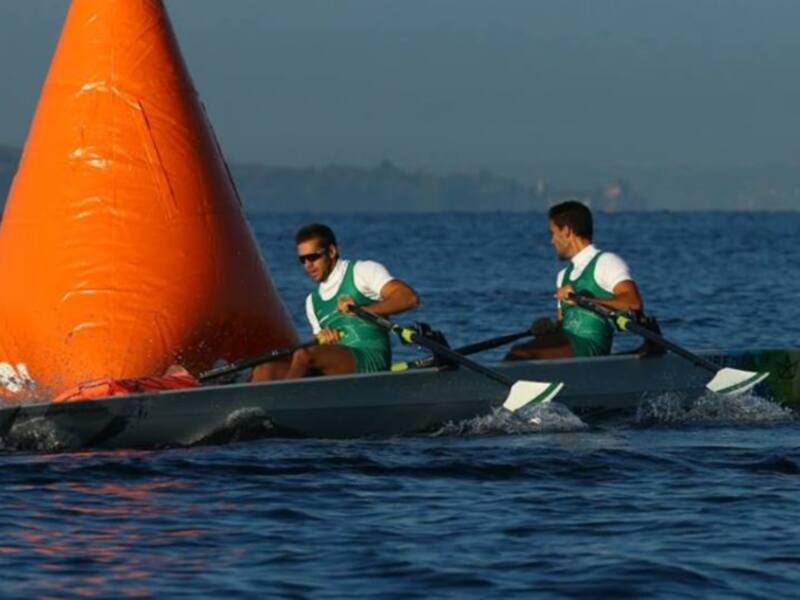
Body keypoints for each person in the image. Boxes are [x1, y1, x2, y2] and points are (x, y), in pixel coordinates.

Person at [252, 223, 420, 380]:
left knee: (304, 354)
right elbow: (320, 348)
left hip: (370, 360)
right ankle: (256, 402)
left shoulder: (362, 271)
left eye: (313, 257)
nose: (308, 265)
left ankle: (285, 399)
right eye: (302, 260)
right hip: (339, 365)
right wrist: (325, 338)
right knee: (265, 370)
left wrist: (364, 310)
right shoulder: (311, 302)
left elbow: (408, 298)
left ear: (331, 251)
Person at [505, 200, 643, 360]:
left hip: (590, 347)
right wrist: (549, 328)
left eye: (553, 233)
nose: (552, 241)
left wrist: (582, 300)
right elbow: (563, 326)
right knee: (517, 352)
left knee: (520, 353)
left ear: (566, 231)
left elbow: (634, 303)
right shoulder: (562, 276)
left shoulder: (606, 262)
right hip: (567, 345)